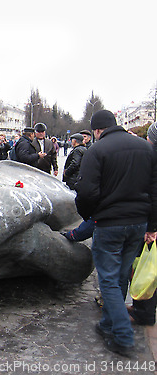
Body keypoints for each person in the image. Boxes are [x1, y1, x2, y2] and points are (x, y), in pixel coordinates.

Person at [75, 109, 157, 357]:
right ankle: (108, 324)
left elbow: (86, 192)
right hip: (138, 224)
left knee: (108, 280)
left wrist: (90, 215)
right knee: (121, 275)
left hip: (110, 224)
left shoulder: (97, 150)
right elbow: (154, 191)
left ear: (97, 130)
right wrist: (152, 226)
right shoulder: (145, 148)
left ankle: (122, 335)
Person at [127, 121, 157, 326]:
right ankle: (141, 308)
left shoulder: (151, 158)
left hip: (150, 222)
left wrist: (152, 228)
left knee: (145, 267)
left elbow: (153, 195)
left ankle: (144, 311)